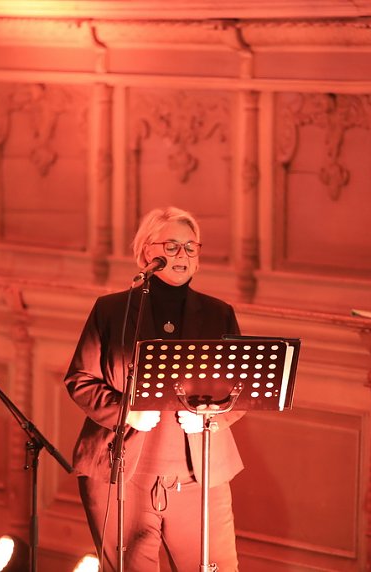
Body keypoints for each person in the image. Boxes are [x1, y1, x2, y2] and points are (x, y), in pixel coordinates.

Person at [64, 206, 244, 571]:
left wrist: (213, 418)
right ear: (148, 251)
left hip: (199, 476)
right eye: (173, 246)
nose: (184, 255)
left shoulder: (218, 313)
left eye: (191, 247)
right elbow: (80, 380)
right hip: (121, 475)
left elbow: (241, 389)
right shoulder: (113, 310)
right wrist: (125, 410)